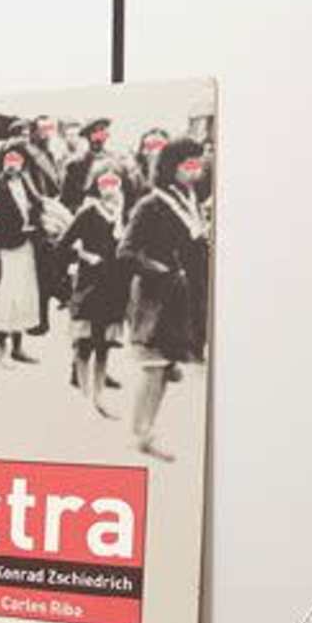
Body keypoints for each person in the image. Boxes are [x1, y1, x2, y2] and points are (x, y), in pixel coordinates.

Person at [120, 137, 212, 457]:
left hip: (179, 299)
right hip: (155, 298)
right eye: (189, 165)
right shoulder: (151, 204)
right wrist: (159, 269)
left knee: (164, 368)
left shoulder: (190, 199)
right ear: (172, 169)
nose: (196, 170)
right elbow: (127, 251)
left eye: (197, 164)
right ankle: (141, 433)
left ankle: (147, 431)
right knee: (153, 367)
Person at [61, 164, 132, 401]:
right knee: (85, 343)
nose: (110, 189)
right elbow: (64, 242)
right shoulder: (89, 212)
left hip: (114, 283)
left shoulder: (124, 213)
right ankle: (83, 394)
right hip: (90, 284)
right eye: (104, 183)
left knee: (105, 345)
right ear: (96, 186)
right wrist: (85, 256)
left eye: (114, 183)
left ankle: (98, 395)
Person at [0, 140, 50, 367]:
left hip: (26, 247)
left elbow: (37, 207)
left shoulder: (27, 182)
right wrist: (1, 238)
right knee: (4, 298)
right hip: (5, 249)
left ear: (22, 163)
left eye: (17, 160)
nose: (12, 164)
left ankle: (19, 347)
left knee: (25, 296)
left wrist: (36, 225)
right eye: (8, 160)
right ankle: (2, 352)